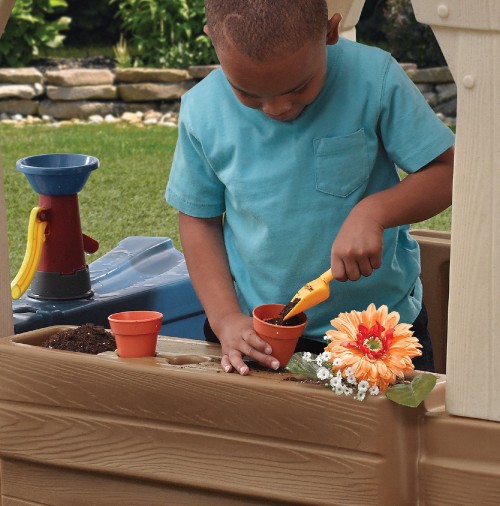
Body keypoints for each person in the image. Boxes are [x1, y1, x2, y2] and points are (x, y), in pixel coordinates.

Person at [166, 0, 454, 376]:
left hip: (380, 333)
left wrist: (374, 212)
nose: (277, 108)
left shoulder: (374, 78)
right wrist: (224, 318)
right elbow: (198, 220)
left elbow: (446, 171)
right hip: (257, 334)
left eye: (299, 88)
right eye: (249, 94)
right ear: (212, 42)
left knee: (389, 435)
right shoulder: (202, 111)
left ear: (330, 32)